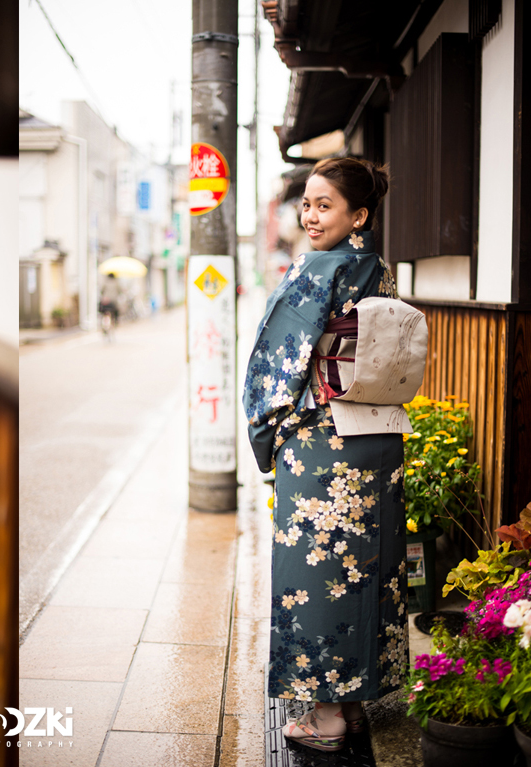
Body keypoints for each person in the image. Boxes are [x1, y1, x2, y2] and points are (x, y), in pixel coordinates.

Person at [242, 158, 406, 752]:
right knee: (367, 567)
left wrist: (268, 434)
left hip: (322, 444)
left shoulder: (318, 269)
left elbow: (274, 366)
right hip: (377, 437)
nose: (310, 216)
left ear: (358, 215)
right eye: (306, 204)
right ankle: (355, 706)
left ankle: (326, 717)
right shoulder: (375, 269)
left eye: (324, 205)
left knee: (317, 573)